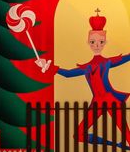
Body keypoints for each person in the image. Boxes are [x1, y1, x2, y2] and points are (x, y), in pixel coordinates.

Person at [38, 11, 130, 144]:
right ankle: (113, 143)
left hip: (111, 100)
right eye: (93, 42)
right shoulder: (86, 67)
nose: (97, 45)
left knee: (126, 132)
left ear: (105, 42)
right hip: (97, 103)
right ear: (88, 42)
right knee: (79, 134)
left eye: (101, 42)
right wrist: (47, 66)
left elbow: (126, 58)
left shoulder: (107, 62)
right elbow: (68, 74)